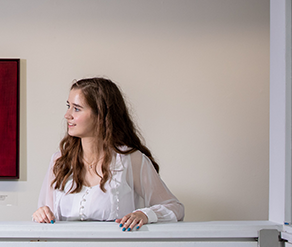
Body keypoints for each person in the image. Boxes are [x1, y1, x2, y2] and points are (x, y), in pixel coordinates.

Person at [32, 78, 183, 230]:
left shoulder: (131, 160)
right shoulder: (59, 161)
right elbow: (46, 216)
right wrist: (41, 214)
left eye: (76, 108)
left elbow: (175, 208)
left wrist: (145, 215)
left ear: (101, 114)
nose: (67, 115)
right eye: (68, 106)